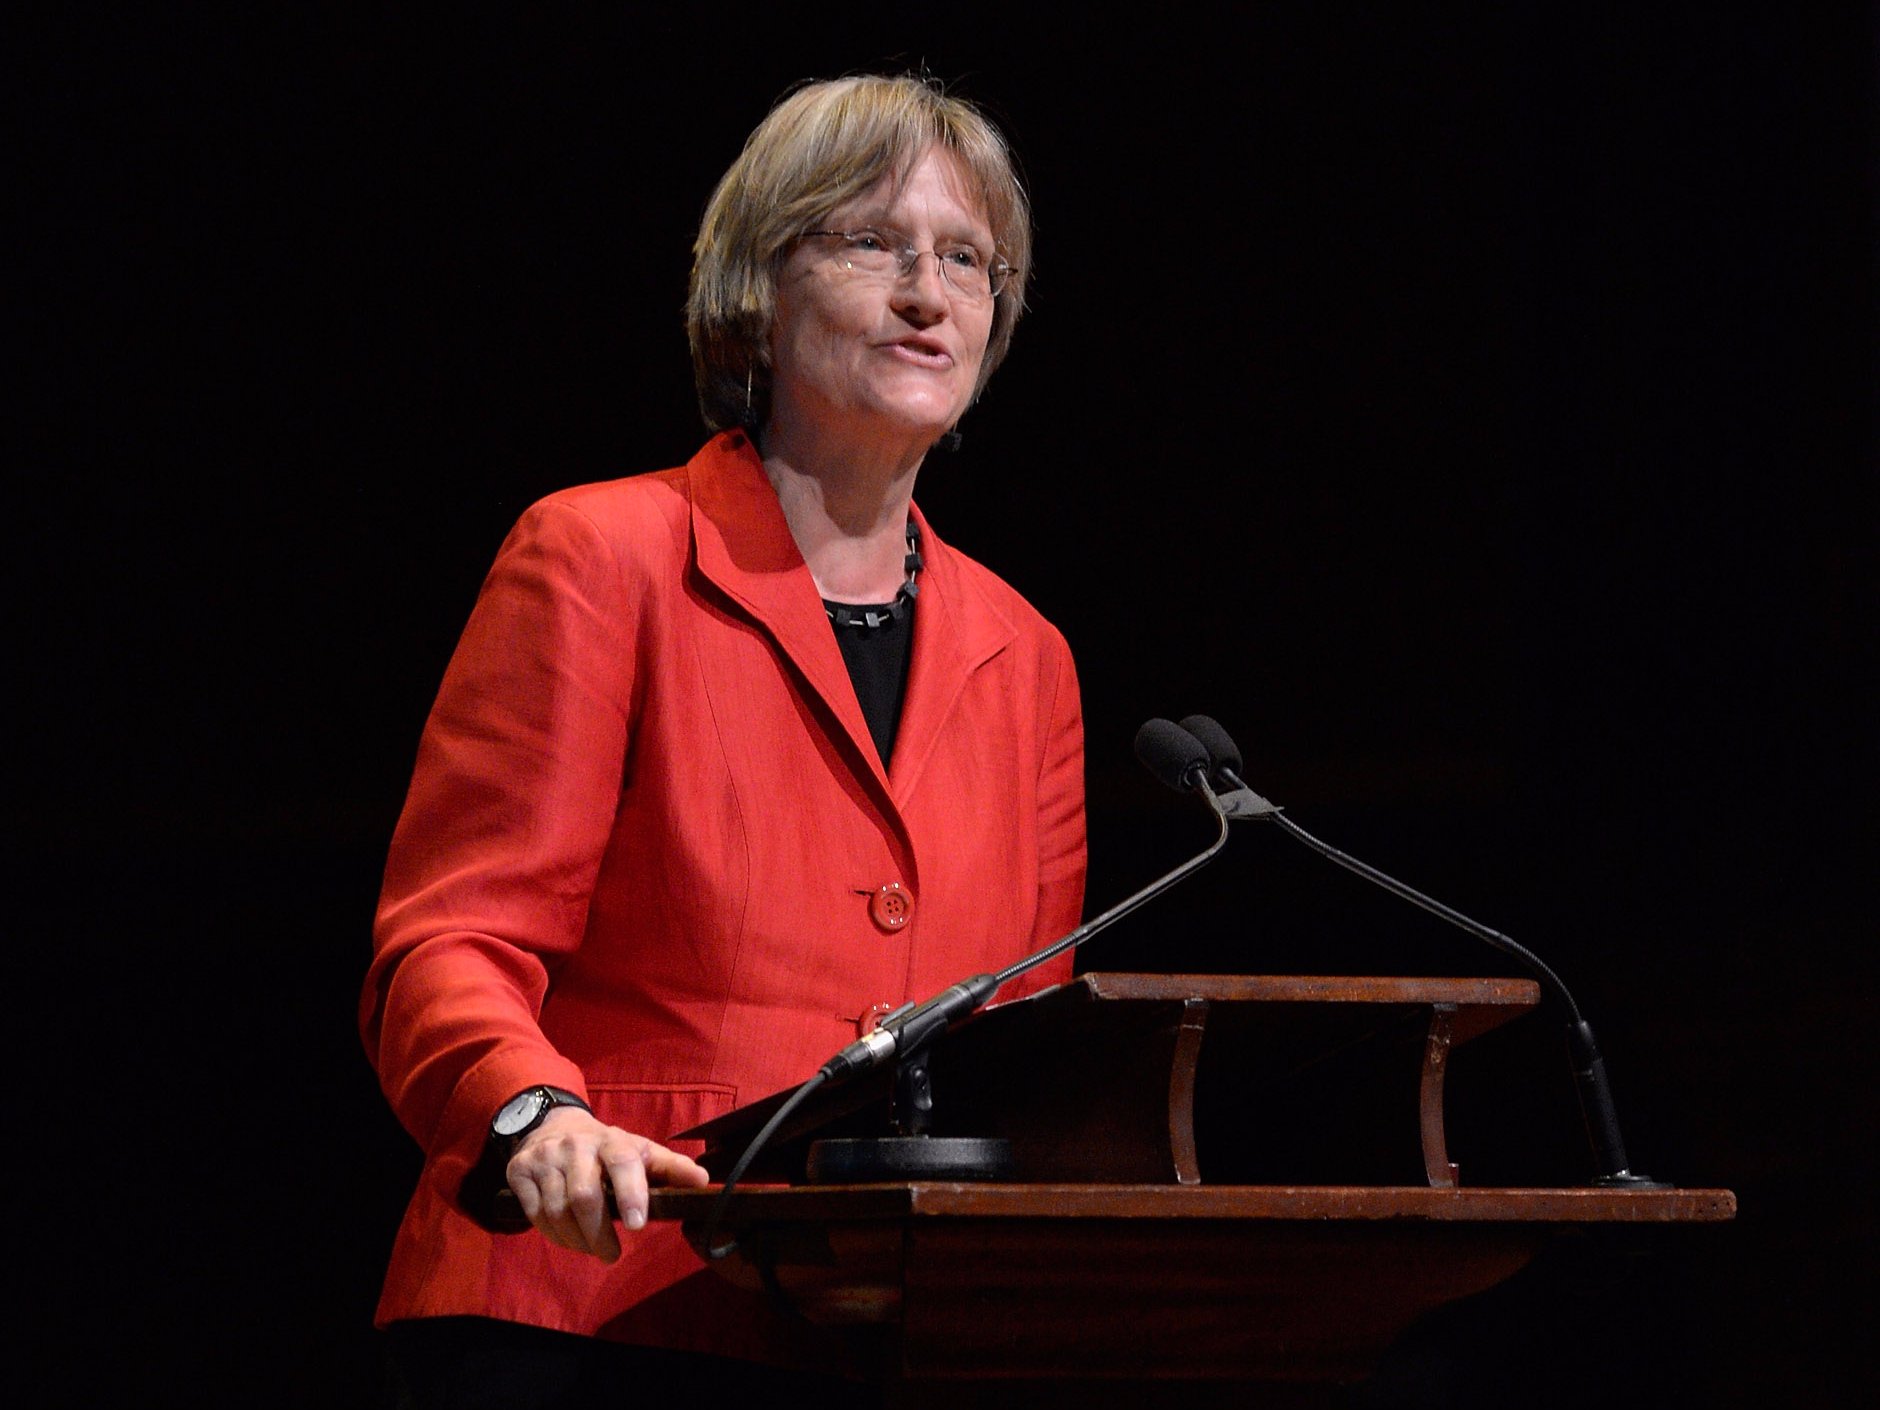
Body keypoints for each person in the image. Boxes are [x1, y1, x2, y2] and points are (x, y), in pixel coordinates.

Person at [361, 73, 1087, 1403]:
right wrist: (533, 1109)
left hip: (884, 1334)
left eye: (971, 259)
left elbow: (1026, 1052)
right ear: (758, 282)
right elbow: (450, 935)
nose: (930, 292)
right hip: (588, 1302)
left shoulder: (1026, 654)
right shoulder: (597, 557)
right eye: (873, 241)